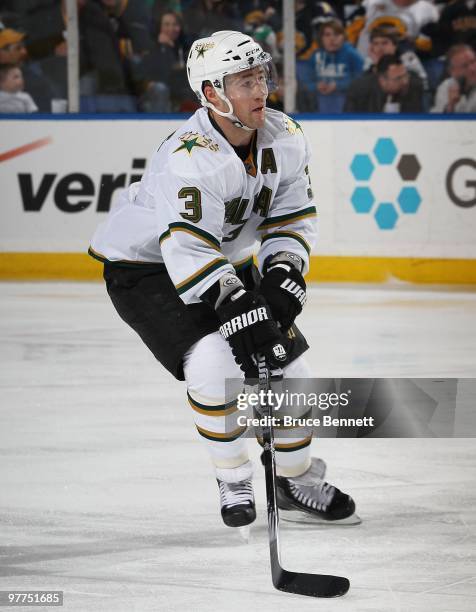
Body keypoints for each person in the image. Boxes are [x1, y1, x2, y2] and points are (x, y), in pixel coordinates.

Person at [89, 30, 357, 530]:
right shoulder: (187, 156)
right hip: (145, 270)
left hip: (220, 260)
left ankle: (294, 480)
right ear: (212, 93)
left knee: (287, 368)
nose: (260, 91)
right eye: (244, 81)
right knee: (214, 361)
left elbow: (292, 218)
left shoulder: (286, 136)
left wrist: (281, 272)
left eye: (261, 77)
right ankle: (232, 475)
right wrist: (236, 304)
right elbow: (185, 247)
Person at [311, 18, 364, 113]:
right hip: (318, 106)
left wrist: (338, 85)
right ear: (321, 38)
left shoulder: (352, 54)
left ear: (343, 36)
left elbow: (362, 81)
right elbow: (305, 81)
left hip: (349, 107)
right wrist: (316, 86)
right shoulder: (316, 55)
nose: (332, 39)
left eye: (336, 34)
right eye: (327, 35)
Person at [344, 53, 424, 112]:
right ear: (382, 80)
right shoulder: (359, 89)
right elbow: (348, 121)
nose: (405, 82)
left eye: (405, 76)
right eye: (398, 78)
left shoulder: (413, 87)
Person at [431, 45, 476, 113]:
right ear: (453, 72)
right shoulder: (446, 87)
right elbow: (436, 120)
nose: (473, 69)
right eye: (465, 66)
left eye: (473, 62)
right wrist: (451, 105)